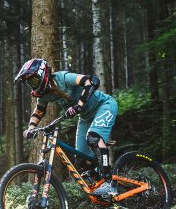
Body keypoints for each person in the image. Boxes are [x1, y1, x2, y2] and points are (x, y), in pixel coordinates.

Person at [15, 58, 119, 197]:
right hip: (86, 117)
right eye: (29, 83)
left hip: (104, 105)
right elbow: (39, 110)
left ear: (42, 74)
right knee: (81, 160)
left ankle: (110, 184)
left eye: (33, 80)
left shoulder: (63, 78)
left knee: (93, 138)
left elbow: (92, 81)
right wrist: (31, 127)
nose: (32, 85)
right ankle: (102, 193)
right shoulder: (45, 95)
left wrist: (79, 105)